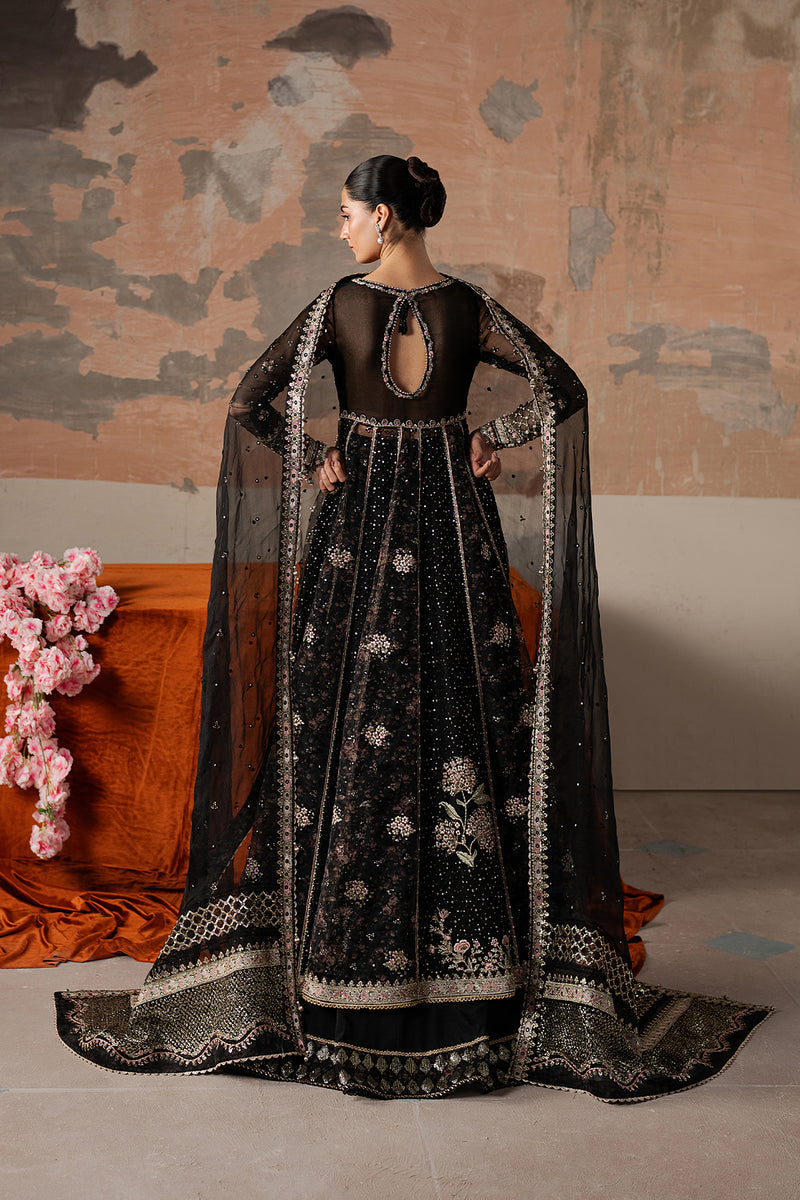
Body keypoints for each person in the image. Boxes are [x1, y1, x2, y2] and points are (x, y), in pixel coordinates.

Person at [55, 155, 770, 1100]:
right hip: (454, 539)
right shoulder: (470, 309)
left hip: (355, 541)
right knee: (465, 720)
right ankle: (482, 973)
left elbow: (248, 404)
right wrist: (487, 440)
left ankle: (335, 971)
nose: (341, 228)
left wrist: (321, 455)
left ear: (385, 216)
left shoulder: (338, 308)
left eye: (347, 212)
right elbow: (561, 390)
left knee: (343, 723)